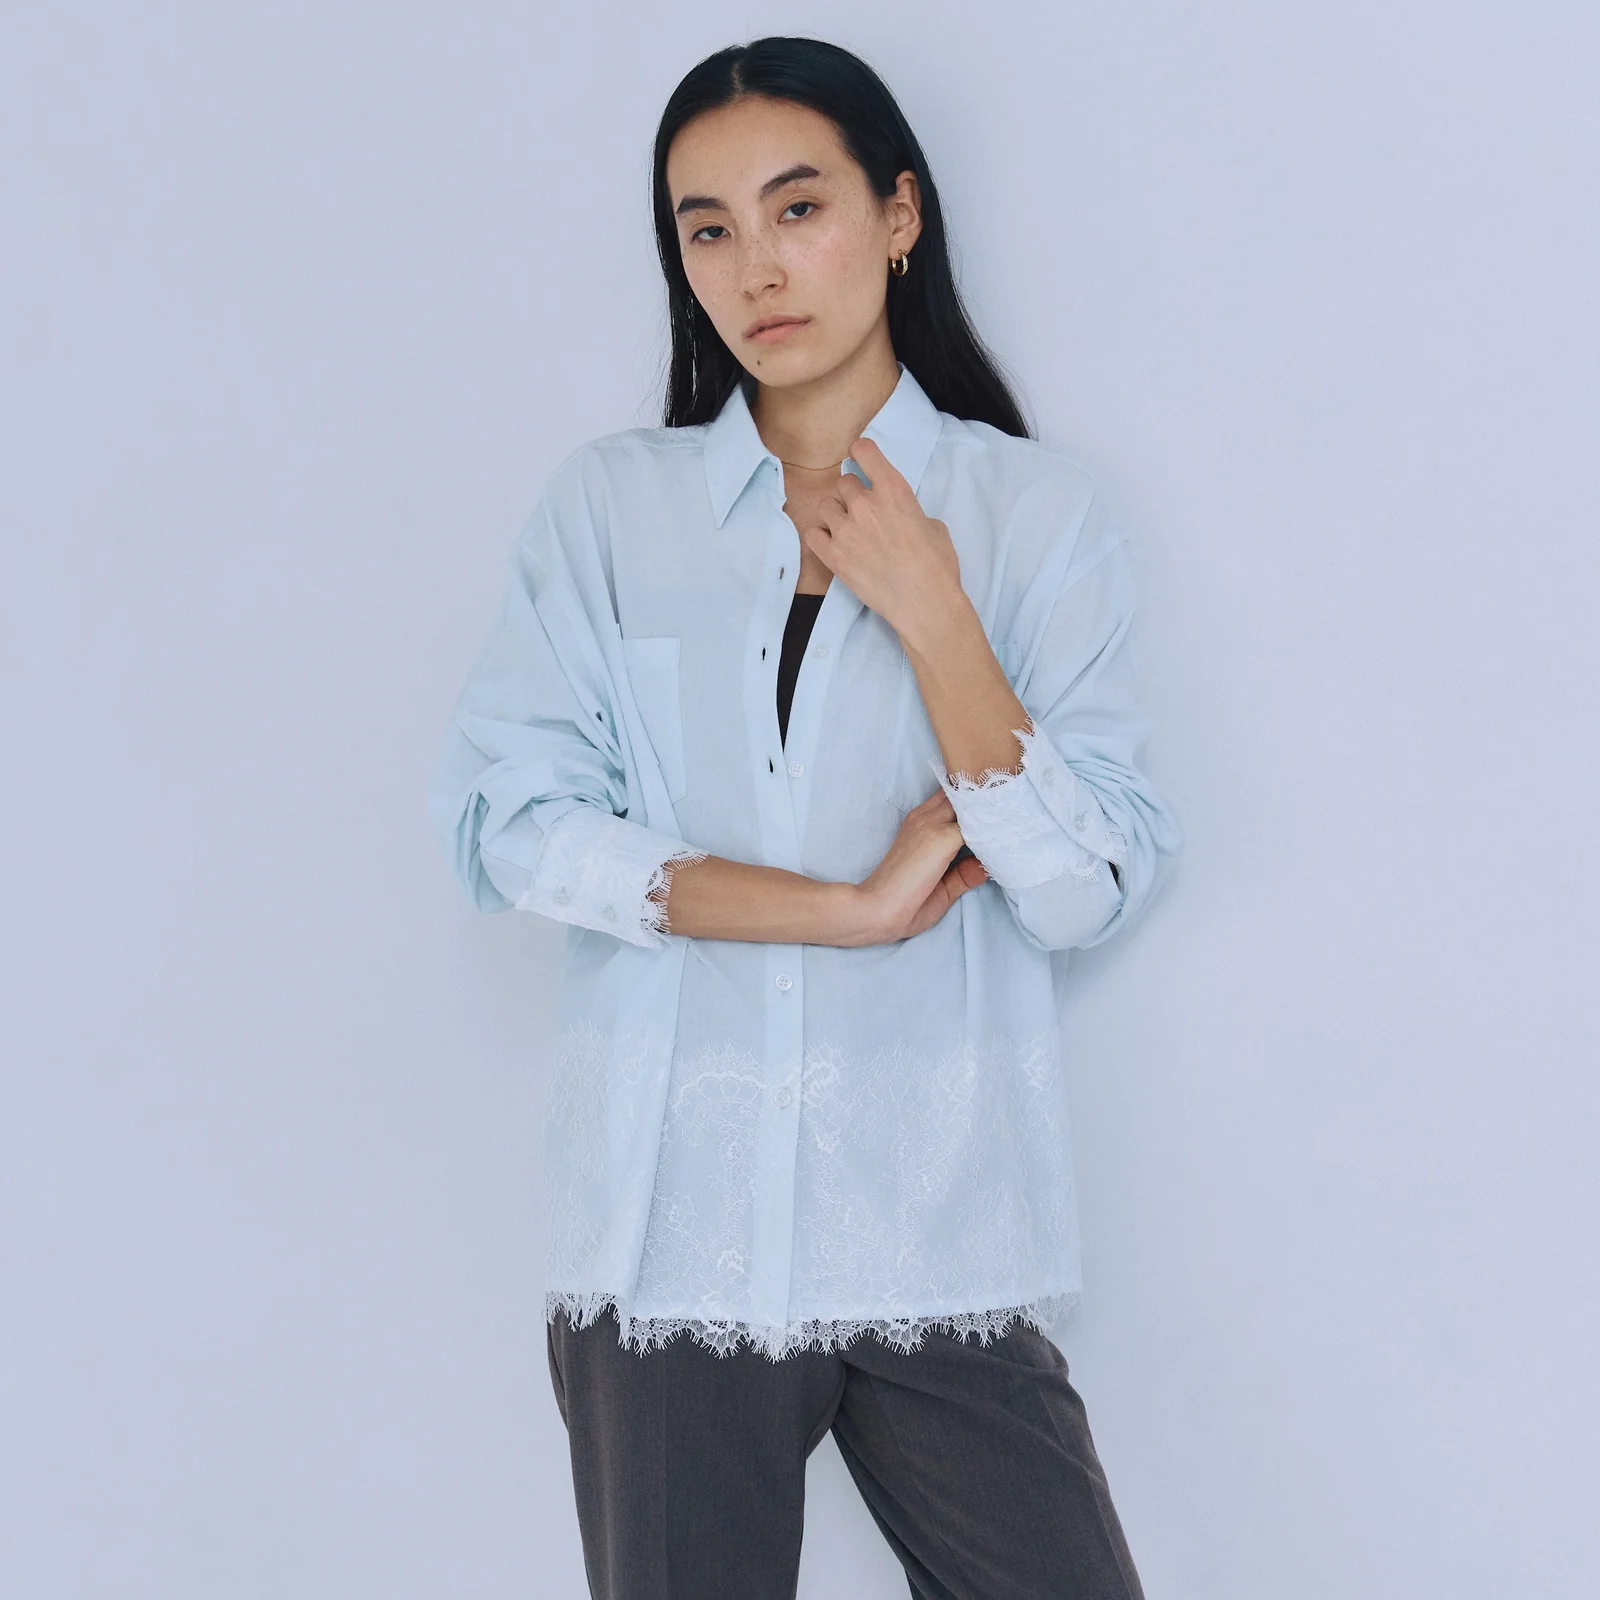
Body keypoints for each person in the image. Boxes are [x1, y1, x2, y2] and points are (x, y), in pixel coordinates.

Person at [429, 35, 1183, 1600]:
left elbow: (1087, 887)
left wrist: (937, 618)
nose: (756, 267)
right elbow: (511, 823)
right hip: (670, 1240)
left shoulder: (1036, 520)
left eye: (798, 207)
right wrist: (842, 911)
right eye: (707, 229)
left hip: (938, 1234)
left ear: (897, 214)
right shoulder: (611, 510)